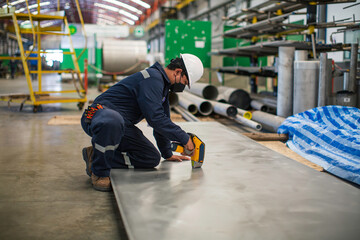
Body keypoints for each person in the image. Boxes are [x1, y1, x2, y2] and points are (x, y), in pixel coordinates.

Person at [81, 53, 204, 191]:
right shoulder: (152, 79)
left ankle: (95, 155)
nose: (182, 86)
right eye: (185, 82)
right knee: (113, 120)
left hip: (121, 124)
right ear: (178, 72)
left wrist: (167, 153)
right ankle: (99, 172)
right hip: (99, 115)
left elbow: (162, 121)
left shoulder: (162, 87)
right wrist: (184, 138)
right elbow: (155, 118)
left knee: (150, 157)